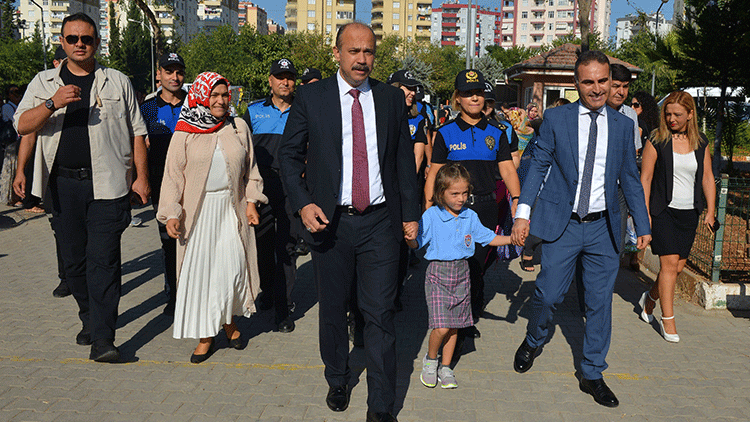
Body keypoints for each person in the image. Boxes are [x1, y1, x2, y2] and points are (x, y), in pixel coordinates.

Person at [278, 22, 419, 422]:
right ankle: (338, 377)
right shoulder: (312, 97)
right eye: (354, 51)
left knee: (379, 316)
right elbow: (289, 157)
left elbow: (402, 164)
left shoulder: (391, 99)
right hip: (330, 223)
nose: (362, 59)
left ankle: (381, 407)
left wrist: (410, 215)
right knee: (333, 310)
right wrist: (303, 204)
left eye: (369, 52)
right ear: (337, 53)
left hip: (379, 223)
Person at [510, 50, 651, 407]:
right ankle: (534, 339)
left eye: (603, 80)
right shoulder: (557, 119)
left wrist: (642, 223)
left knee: (600, 302)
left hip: (604, 228)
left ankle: (592, 372)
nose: (597, 88)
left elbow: (630, 178)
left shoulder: (623, 125)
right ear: (576, 84)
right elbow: (539, 166)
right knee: (547, 294)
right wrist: (523, 214)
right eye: (588, 81)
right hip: (563, 225)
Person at [14, 12, 150, 362]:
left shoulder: (117, 81)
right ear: (61, 42)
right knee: (73, 264)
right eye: (72, 38)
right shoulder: (44, 82)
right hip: (62, 186)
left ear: (96, 43)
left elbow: (138, 132)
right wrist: (52, 103)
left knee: (103, 261)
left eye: (85, 39)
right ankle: (89, 318)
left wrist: (141, 177)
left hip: (107, 186)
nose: (79, 44)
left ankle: (104, 339)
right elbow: (22, 124)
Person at [157, 72, 267, 363]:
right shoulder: (184, 132)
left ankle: (229, 323)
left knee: (231, 270)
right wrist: (171, 213)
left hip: (230, 210)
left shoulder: (238, 127)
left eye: (224, 95)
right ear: (201, 96)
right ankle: (207, 335)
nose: (220, 101)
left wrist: (252, 202)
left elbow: (251, 171)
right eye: (214, 95)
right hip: (199, 214)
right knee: (204, 275)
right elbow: (172, 177)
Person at [424, 69, 521, 340]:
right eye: (467, 94)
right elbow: (434, 173)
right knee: (458, 264)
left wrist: (517, 203)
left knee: (478, 266)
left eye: (478, 93)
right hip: (454, 211)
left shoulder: (497, 132)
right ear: (458, 99)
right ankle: (456, 318)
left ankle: (469, 313)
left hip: (487, 208)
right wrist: (429, 208)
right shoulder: (445, 132)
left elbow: (509, 171)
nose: (474, 98)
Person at [408, 163, 510, 390]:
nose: (461, 198)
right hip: (437, 274)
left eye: (465, 193)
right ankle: (431, 360)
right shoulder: (432, 216)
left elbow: (488, 237)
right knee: (441, 326)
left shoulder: (470, 216)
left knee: (455, 325)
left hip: (462, 273)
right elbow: (418, 244)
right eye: (454, 193)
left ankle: (446, 367)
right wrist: (409, 238)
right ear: (440, 192)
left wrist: (511, 240)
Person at [638, 91, 715, 343]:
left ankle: (649, 299)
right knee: (669, 265)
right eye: (668, 113)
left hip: (689, 213)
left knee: (678, 268)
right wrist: (645, 214)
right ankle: (668, 320)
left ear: (690, 115)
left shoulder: (700, 142)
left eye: (677, 114)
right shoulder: (656, 140)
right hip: (663, 211)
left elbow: (706, 178)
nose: (671, 118)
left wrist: (711, 211)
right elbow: (646, 179)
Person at [242, 58, 298, 333]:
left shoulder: (303, 111)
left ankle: (283, 309)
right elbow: (241, 151)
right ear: (270, 80)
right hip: (261, 187)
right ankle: (267, 290)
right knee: (262, 246)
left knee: (286, 249)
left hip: (291, 188)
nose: (284, 82)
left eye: (289, 77)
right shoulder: (252, 112)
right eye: (279, 77)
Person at [13, 49, 70, 298]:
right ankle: (66, 277)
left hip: (87, 172)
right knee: (59, 226)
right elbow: (28, 131)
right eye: (59, 61)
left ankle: (88, 276)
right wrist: (20, 171)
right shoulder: (43, 84)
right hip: (50, 170)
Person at [139, 52, 187, 316]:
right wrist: (141, 179)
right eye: (169, 71)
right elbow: (137, 146)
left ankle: (193, 292)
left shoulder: (194, 106)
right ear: (159, 74)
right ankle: (174, 294)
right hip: (161, 184)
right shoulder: (147, 108)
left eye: (179, 71)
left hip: (191, 183)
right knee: (169, 242)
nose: (174, 77)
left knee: (192, 239)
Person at [607, 63, 643, 270]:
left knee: (617, 245)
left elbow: (633, 155)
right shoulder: (594, 111)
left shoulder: (630, 115)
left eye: (626, 87)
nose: (621, 92)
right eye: (616, 85)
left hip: (619, 189)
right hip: (592, 188)